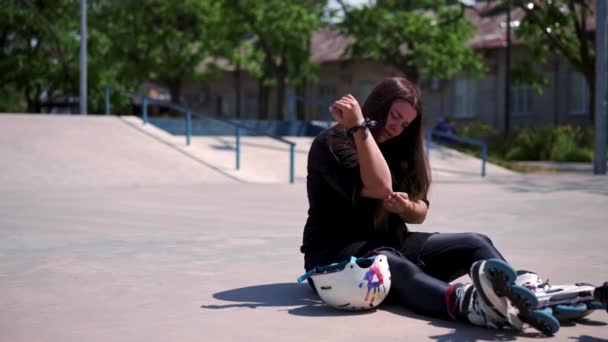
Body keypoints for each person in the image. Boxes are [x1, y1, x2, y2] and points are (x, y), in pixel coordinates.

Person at [299, 77, 572, 335]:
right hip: (334, 257)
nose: (397, 128)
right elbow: (381, 187)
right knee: (389, 263)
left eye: (405, 124)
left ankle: (522, 293)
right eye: (395, 116)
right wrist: (359, 127)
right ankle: (469, 305)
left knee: (475, 243)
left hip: (391, 243)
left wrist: (405, 208)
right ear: (378, 104)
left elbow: (421, 211)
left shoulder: (400, 149)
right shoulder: (333, 142)